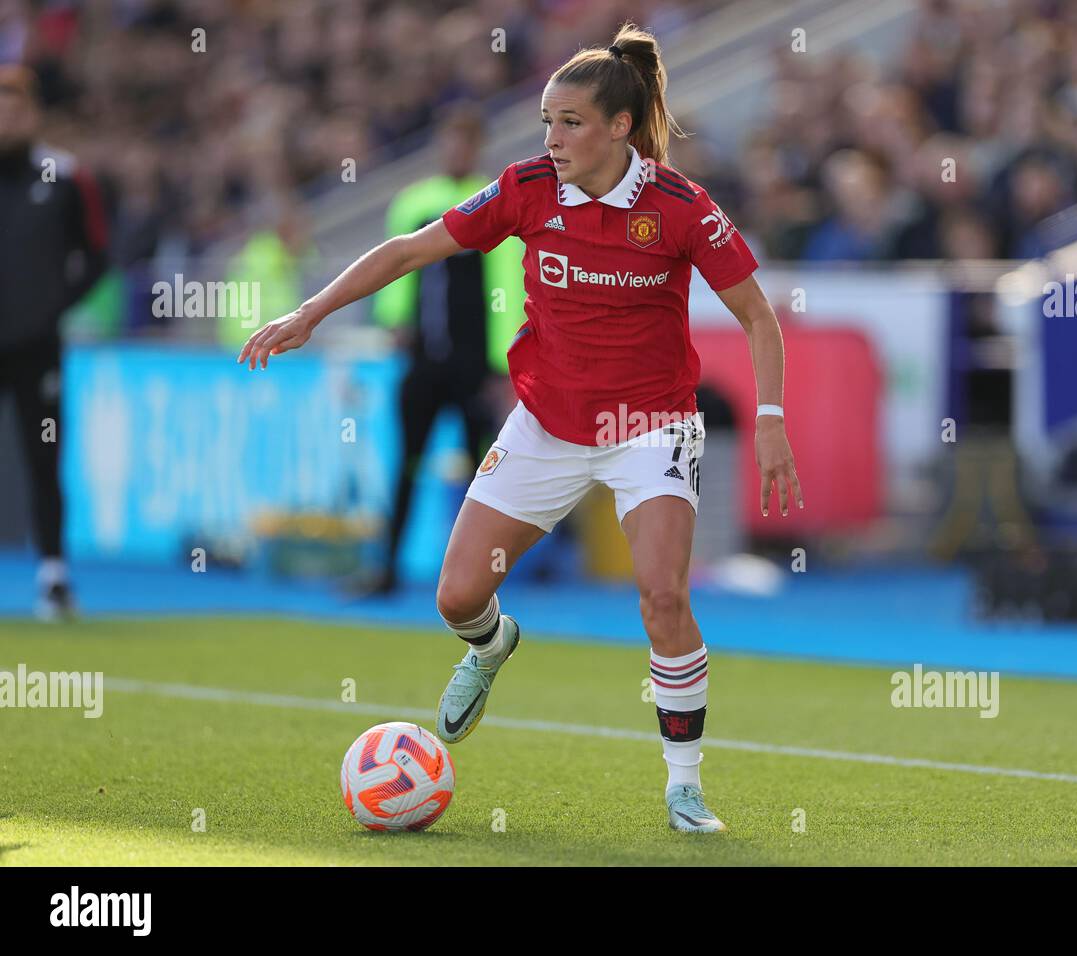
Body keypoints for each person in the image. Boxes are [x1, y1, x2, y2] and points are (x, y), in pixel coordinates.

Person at [237, 24, 802, 833]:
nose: (552, 138)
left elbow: (757, 316)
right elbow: (408, 250)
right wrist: (312, 310)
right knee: (458, 595)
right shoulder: (526, 187)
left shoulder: (681, 207)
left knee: (664, 596)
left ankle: (684, 785)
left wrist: (773, 421)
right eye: (545, 121)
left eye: (570, 122)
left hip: (650, 424)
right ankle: (492, 644)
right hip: (546, 423)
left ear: (618, 125)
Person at [363, 108, 524, 596]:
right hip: (425, 363)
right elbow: (397, 263)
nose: (457, 152)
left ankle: (481, 578)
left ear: (476, 148)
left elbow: (507, 284)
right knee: (408, 462)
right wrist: (393, 320)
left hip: (475, 368)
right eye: (450, 142)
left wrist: (503, 362)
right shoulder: (415, 202)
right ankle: (388, 566)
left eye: (465, 143)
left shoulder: (493, 201)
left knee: (484, 476)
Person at [0, 64, 107, 620]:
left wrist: (49, 307)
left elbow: (96, 256)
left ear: (33, 111)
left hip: (37, 345)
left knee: (44, 458)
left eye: (15, 104)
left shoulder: (65, 176)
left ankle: (54, 576)